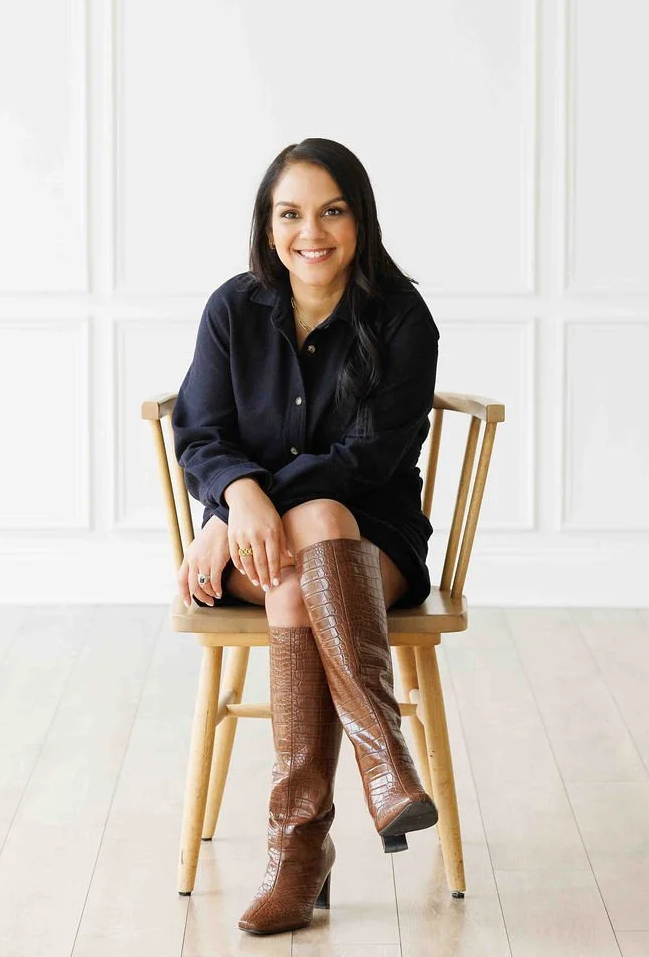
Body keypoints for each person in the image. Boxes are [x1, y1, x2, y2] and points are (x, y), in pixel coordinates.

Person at [171, 137, 440, 936]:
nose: (309, 232)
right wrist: (235, 500)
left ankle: (296, 853)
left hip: (373, 538)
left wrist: (241, 507)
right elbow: (199, 432)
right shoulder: (234, 308)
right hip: (255, 550)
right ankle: (384, 768)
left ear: (360, 220)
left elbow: (366, 459)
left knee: (322, 521)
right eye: (290, 213)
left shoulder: (400, 316)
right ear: (267, 224)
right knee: (302, 549)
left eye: (331, 210)